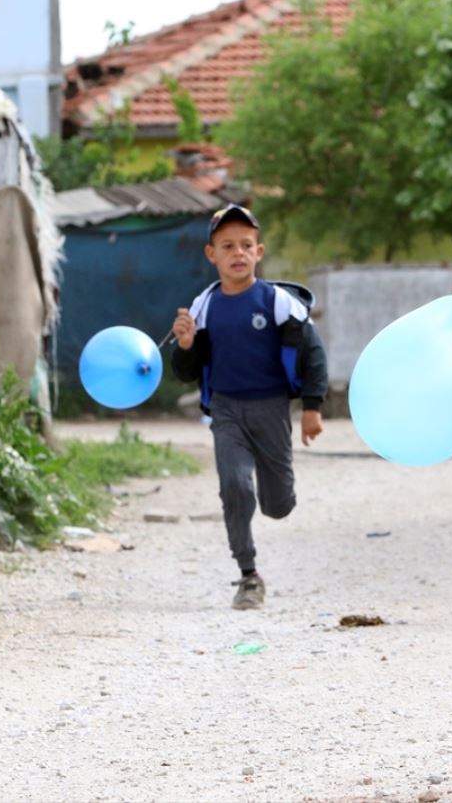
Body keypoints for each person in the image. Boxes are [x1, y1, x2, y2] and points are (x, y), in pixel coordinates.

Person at [170, 204, 328, 611]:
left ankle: (272, 495)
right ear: (212, 255)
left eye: (245, 245)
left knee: (277, 505)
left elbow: (313, 354)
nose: (237, 253)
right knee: (236, 487)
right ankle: (248, 575)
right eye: (227, 246)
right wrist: (186, 345)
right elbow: (186, 372)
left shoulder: (277, 302)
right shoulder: (203, 307)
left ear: (259, 252)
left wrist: (312, 407)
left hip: (271, 408)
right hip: (225, 410)